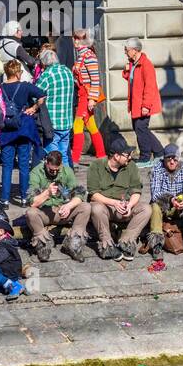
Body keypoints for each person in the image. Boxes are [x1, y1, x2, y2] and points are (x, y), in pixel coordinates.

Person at [87, 138, 149, 260]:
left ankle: (126, 242)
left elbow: (136, 190)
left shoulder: (131, 166)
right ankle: (107, 245)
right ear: (116, 156)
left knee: (146, 209)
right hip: (106, 206)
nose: (130, 158)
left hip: (125, 206)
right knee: (96, 208)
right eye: (126, 155)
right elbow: (93, 194)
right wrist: (114, 203)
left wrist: (130, 205)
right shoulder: (96, 166)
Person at [25, 150, 92, 262]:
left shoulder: (67, 171)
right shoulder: (36, 172)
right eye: (51, 170)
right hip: (45, 212)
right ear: (46, 163)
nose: (54, 173)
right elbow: (32, 202)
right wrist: (47, 193)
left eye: (57, 170)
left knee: (86, 207)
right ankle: (44, 245)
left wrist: (69, 206)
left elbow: (79, 194)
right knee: (30, 213)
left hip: (63, 210)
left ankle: (73, 245)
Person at [0, 60, 46, 207]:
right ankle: (24, 198)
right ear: (18, 72)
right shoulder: (25, 86)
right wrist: (34, 108)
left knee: (7, 166)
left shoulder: (0, 88)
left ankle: (5, 199)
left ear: (6, 73)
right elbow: (42, 95)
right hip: (23, 129)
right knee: (24, 165)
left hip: (6, 129)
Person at [121, 37, 164, 166]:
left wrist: (146, 105)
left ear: (135, 50)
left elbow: (150, 87)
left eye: (126, 50)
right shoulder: (134, 63)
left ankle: (145, 157)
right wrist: (127, 70)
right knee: (140, 128)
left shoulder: (146, 64)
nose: (125, 52)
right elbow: (131, 79)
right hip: (136, 103)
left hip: (143, 104)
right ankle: (159, 152)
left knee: (141, 128)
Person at [69, 29, 107, 166]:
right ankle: (101, 155)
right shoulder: (81, 55)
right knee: (91, 127)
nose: (75, 41)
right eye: (75, 38)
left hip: (86, 96)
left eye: (78, 38)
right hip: (82, 95)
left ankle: (74, 159)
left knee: (77, 126)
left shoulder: (89, 56)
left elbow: (95, 79)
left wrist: (92, 98)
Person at [35, 45, 74, 160]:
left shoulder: (47, 74)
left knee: (52, 157)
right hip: (66, 121)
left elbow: (36, 94)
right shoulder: (67, 71)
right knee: (64, 156)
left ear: (44, 63)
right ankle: (66, 177)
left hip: (52, 123)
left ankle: (55, 178)